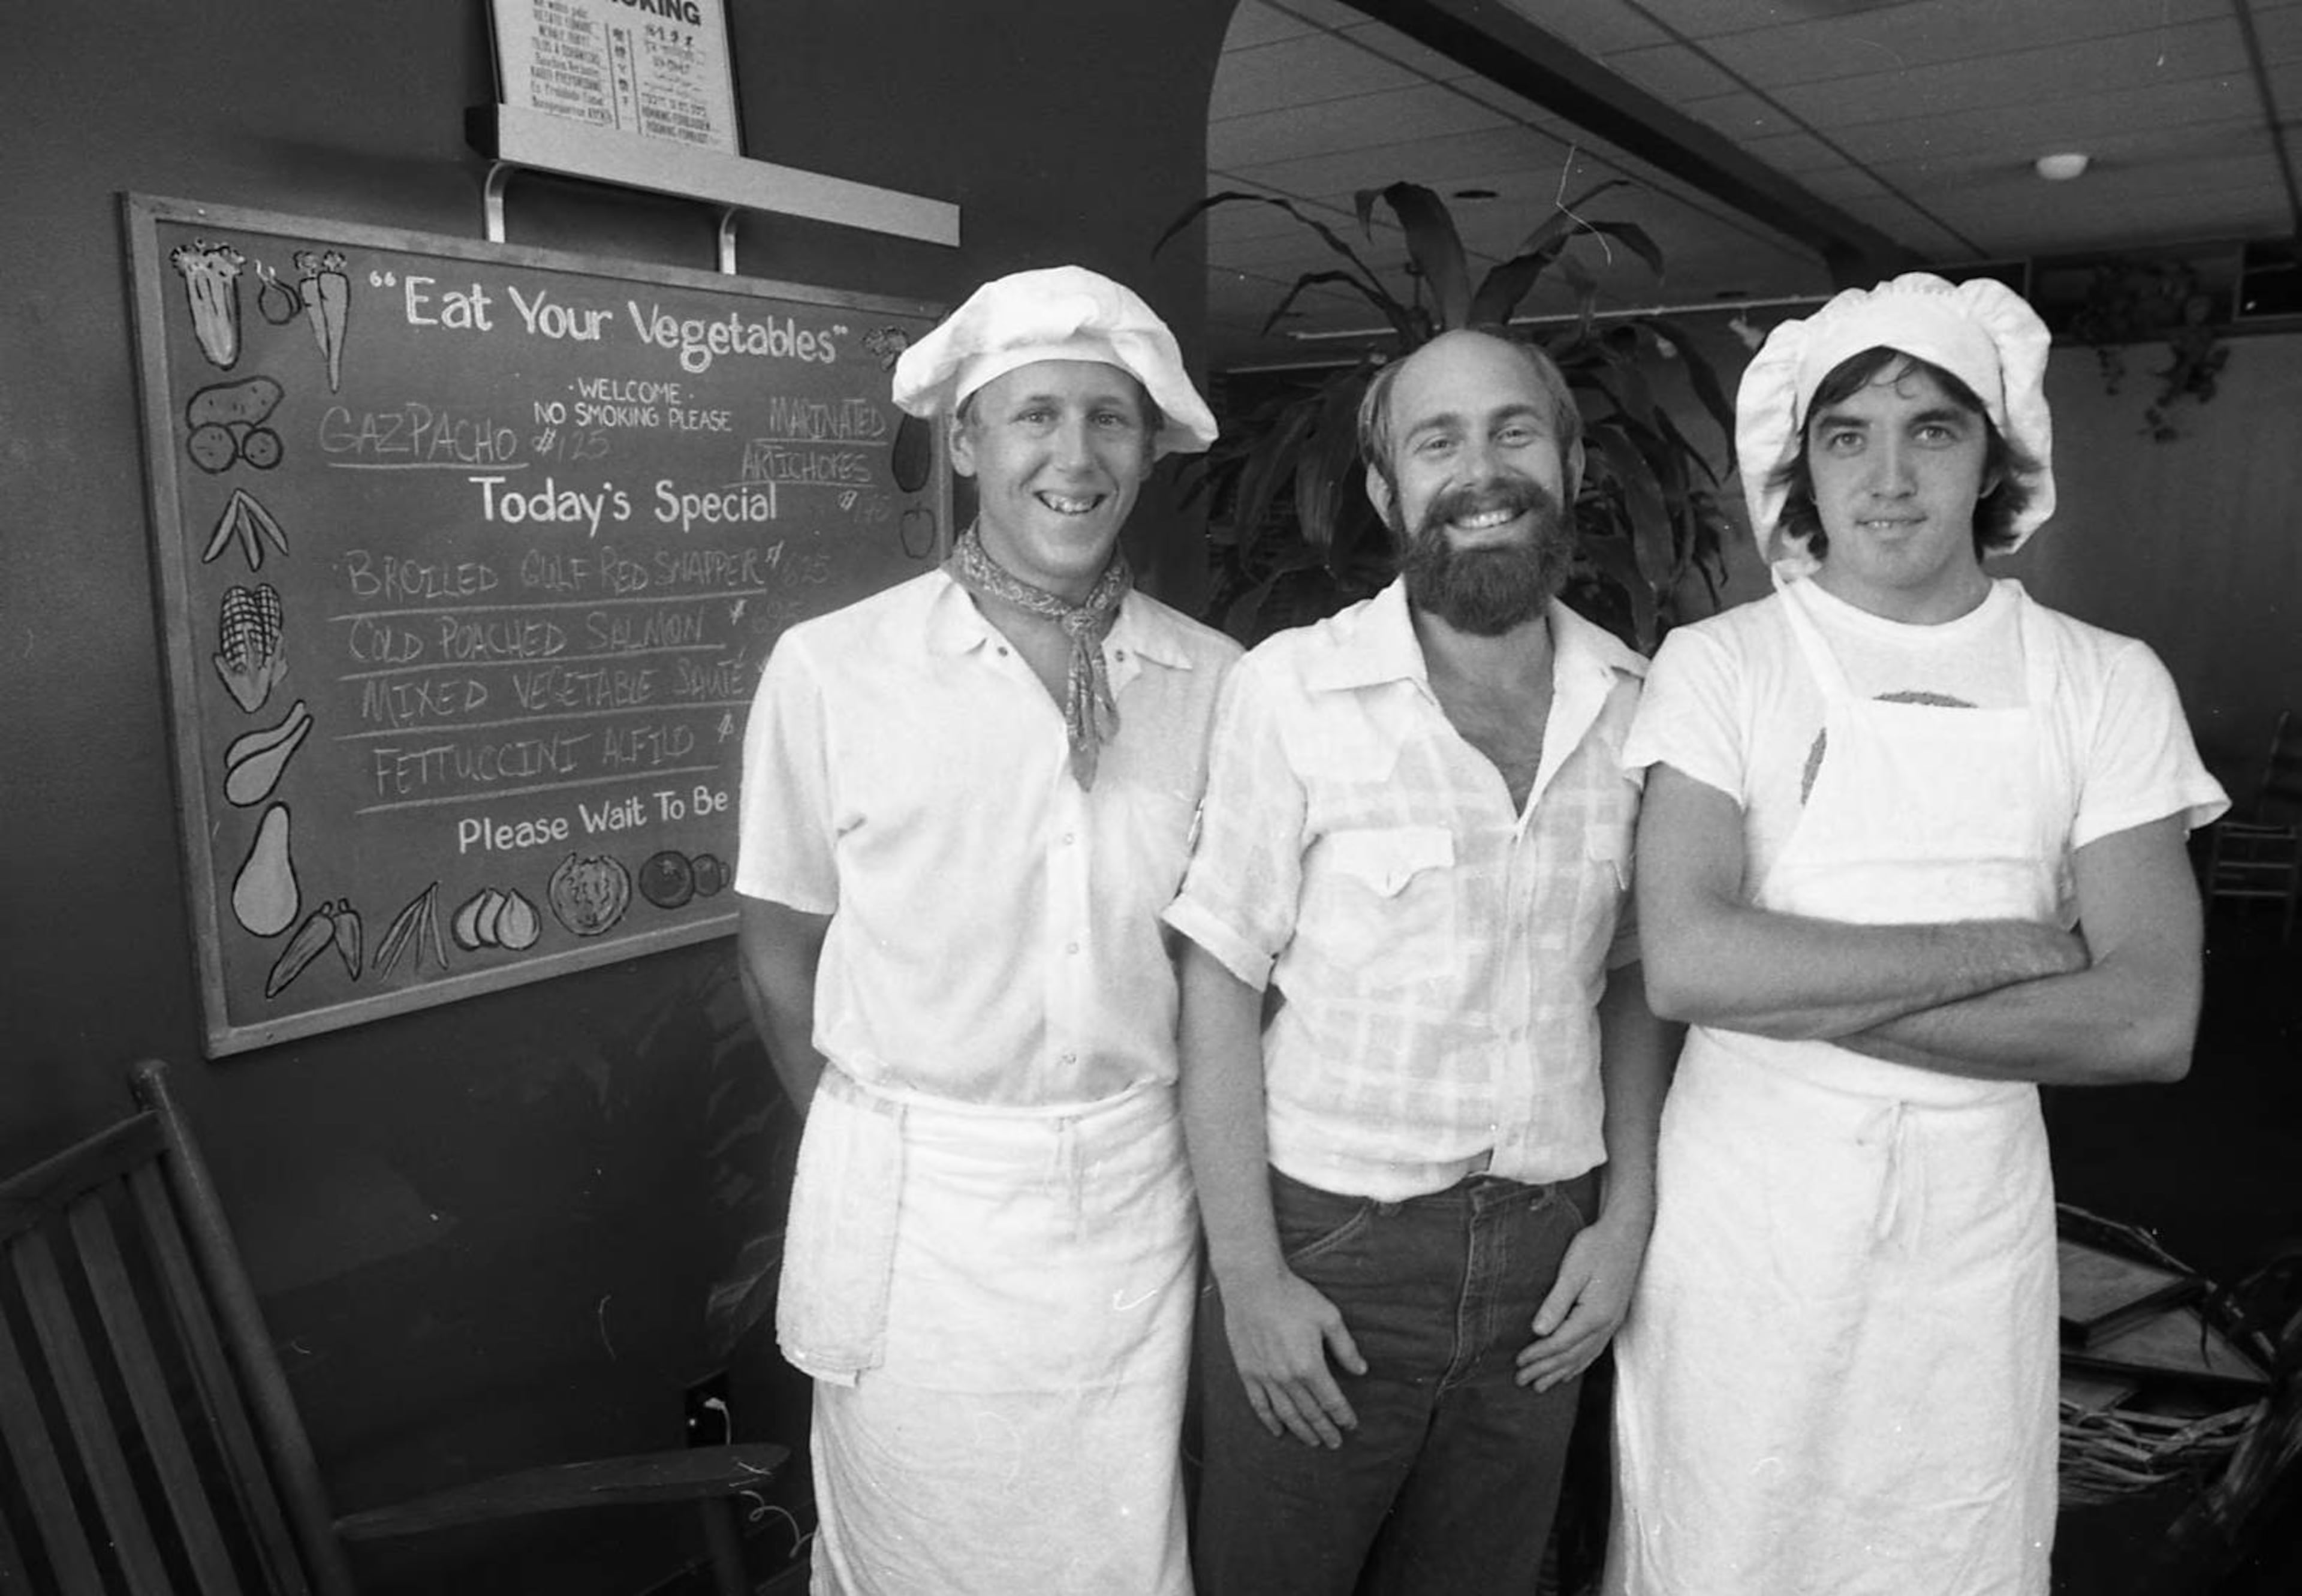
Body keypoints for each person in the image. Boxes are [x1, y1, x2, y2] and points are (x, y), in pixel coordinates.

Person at [1605, 273, 2229, 1595]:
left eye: (1932, 430)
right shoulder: (1723, 664)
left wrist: (1790, 985)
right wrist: (2014, 947)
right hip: (1750, 1219)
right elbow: (1692, 962)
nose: (1888, 478)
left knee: (1949, 1542)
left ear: (1994, 457)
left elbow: (2147, 1020)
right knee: (1724, 1537)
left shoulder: (2104, 680)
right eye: (1849, 437)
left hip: (1968, 1223)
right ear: (1803, 465)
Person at [734, 264, 1239, 1595]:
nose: (1075, 456)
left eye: (1110, 418)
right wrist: (889, 1139)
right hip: (919, 1214)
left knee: (1117, 1557)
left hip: (1133, 1206)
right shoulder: (834, 669)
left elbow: (1221, 969)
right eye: (1035, 415)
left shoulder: (1216, 683)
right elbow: (779, 955)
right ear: (964, 442)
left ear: (1148, 450)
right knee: (919, 1556)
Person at [1165, 328, 1678, 1596]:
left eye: (1514, 431)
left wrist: (1626, 1219)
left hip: (1547, 1261)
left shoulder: (1637, 703)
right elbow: (1219, 982)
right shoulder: (1295, 690)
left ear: (1570, 466)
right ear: (1388, 489)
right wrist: (1251, 1279)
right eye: (1437, 441)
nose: (1480, 470)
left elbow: (1630, 979)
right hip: (1330, 1251)